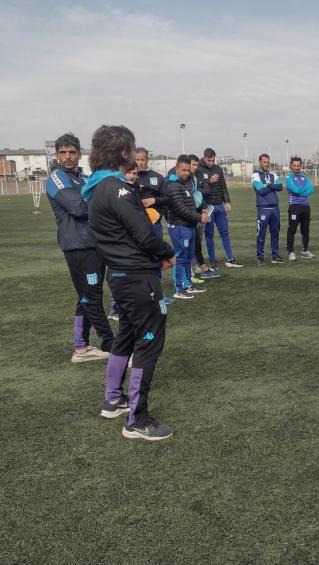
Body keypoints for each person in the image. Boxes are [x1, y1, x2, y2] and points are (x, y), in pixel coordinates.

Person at [83, 124, 176, 440]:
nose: (137, 157)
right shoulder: (118, 189)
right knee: (149, 341)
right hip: (137, 278)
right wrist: (166, 252)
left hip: (121, 277)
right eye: (133, 150)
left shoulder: (97, 188)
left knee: (125, 334)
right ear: (124, 153)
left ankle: (113, 398)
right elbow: (144, 234)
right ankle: (137, 419)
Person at [45, 132, 114, 363]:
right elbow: (78, 208)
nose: (67, 157)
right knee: (91, 297)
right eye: (63, 153)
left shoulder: (84, 178)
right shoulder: (56, 177)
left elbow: (100, 202)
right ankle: (113, 347)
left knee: (85, 296)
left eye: (72, 152)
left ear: (79, 154)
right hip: (77, 247)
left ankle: (81, 348)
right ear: (57, 155)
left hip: (94, 244)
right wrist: (102, 205)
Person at [165, 155, 209, 300]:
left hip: (189, 226)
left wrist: (201, 211)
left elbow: (193, 201)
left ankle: (188, 285)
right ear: (176, 169)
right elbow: (180, 208)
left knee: (189, 256)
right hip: (179, 226)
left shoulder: (188, 182)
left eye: (188, 170)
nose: (186, 173)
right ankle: (178, 289)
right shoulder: (172, 185)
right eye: (183, 170)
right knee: (180, 257)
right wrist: (199, 217)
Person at [197, 148, 243, 268]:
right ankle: (212, 260)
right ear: (204, 157)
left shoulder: (218, 169)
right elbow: (199, 188)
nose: (211, 163)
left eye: (213, 160)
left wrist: (227, 201)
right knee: (209, 234)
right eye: (208, 160)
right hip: (208, 207)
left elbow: (223, 186)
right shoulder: (198, 169)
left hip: (219, 206)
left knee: (224, 232)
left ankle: (230, 259)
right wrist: (209, 181)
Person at [253, 153, 285, 264]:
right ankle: (260, 257)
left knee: (275, 233)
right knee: (261, 233)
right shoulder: (256, 175)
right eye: (264, 162)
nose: (267, 164)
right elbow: (260, 191)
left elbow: (280, 187)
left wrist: (267, 185)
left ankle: (275, 256)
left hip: (275, 208)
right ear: (260, 162)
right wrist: (272, 186)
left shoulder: (273, 174)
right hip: (263, 208)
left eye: (268, 162)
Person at [285, 156, 315, 261]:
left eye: (298, 165)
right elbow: (295, 190)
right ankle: (291, 252)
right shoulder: (289, 178)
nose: (296, 167)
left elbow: (311, 189)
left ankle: (305, 250)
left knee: (305, 229)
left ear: (300, 166)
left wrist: (300, 191)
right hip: (294, 206)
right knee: (292, 229)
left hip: (306, 206)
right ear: (291, 166)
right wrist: (303, 189)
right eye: (294, 165)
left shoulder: (304, 177)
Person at [132, 147, 167, 239]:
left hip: (154, 223)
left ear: (147, 160)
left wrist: (154, 200)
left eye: (142, 160)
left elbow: (167, 198)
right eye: (137, 159)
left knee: (157, 252)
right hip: (135, 223)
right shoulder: (128, 176)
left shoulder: (157, 177)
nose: (140, 163)